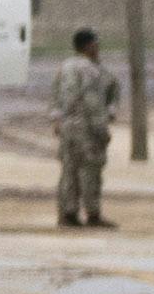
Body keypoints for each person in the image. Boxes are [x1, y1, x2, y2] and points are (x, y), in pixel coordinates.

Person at [48, 29, 120, 230]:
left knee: (68, 171)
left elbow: (54, 97)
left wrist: (57, 120)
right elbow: (93, 103)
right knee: (90, 171)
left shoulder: (64, 67)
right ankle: (93, 213)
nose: (98, 48)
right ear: (88, 46)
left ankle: (67, 213)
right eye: (96, 44)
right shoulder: (92, 70)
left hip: (67, 127)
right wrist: (101, 131)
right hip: (86, 129)